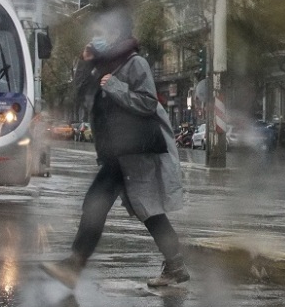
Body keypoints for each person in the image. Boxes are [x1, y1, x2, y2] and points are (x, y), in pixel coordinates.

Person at [40, 20, 188, 290]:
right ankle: (175, 265)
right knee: (149, 212)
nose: (99, 39)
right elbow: (81, 96)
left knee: (96, 204)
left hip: (133, 151)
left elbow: (147, 102)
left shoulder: (135, 64)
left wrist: (115, 87)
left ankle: (74, 265)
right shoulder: (104, 67)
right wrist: (86, 63)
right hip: (116, 152)